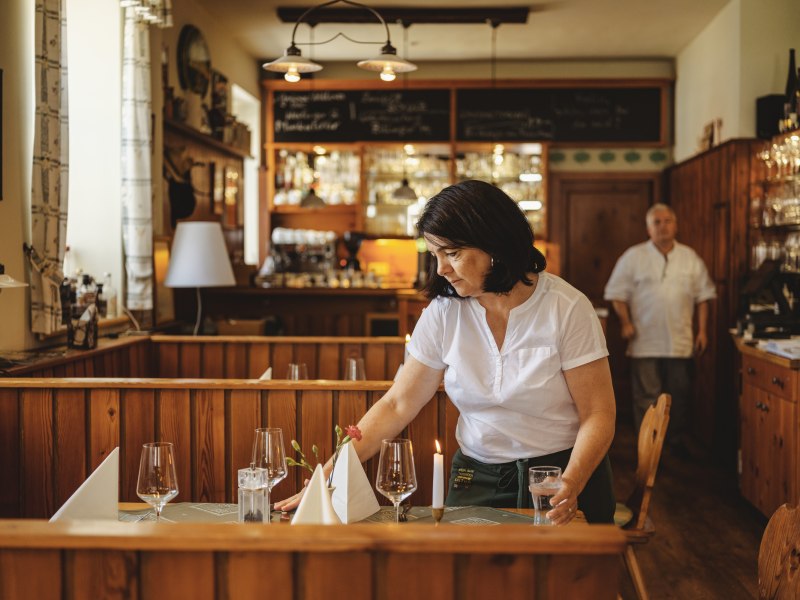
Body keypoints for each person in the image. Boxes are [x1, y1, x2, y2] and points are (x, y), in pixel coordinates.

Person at [275, 180, 616, 524]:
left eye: (452, 254)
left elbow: (598, 413)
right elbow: (397, 404)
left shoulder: (567, 308)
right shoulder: (444, 312)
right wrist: (329, 475)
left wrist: (571, 482)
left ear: (495, 244)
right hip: (476, 477)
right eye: (435, 254)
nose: (441, 269)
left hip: (561, 473)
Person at [603, 203, 716, 457]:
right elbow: (616, 293)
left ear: (675, 225)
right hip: (645, 340)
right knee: (647, 397)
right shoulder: (633, 256)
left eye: (667, 221)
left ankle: (673, 442)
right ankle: (649, 448)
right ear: (648, 228)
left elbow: (704, 297)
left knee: (679, 395)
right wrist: (625, 322)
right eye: (657, 222)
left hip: (681, 339)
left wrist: (703, 331)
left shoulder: (690, 257)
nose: (663, 226)